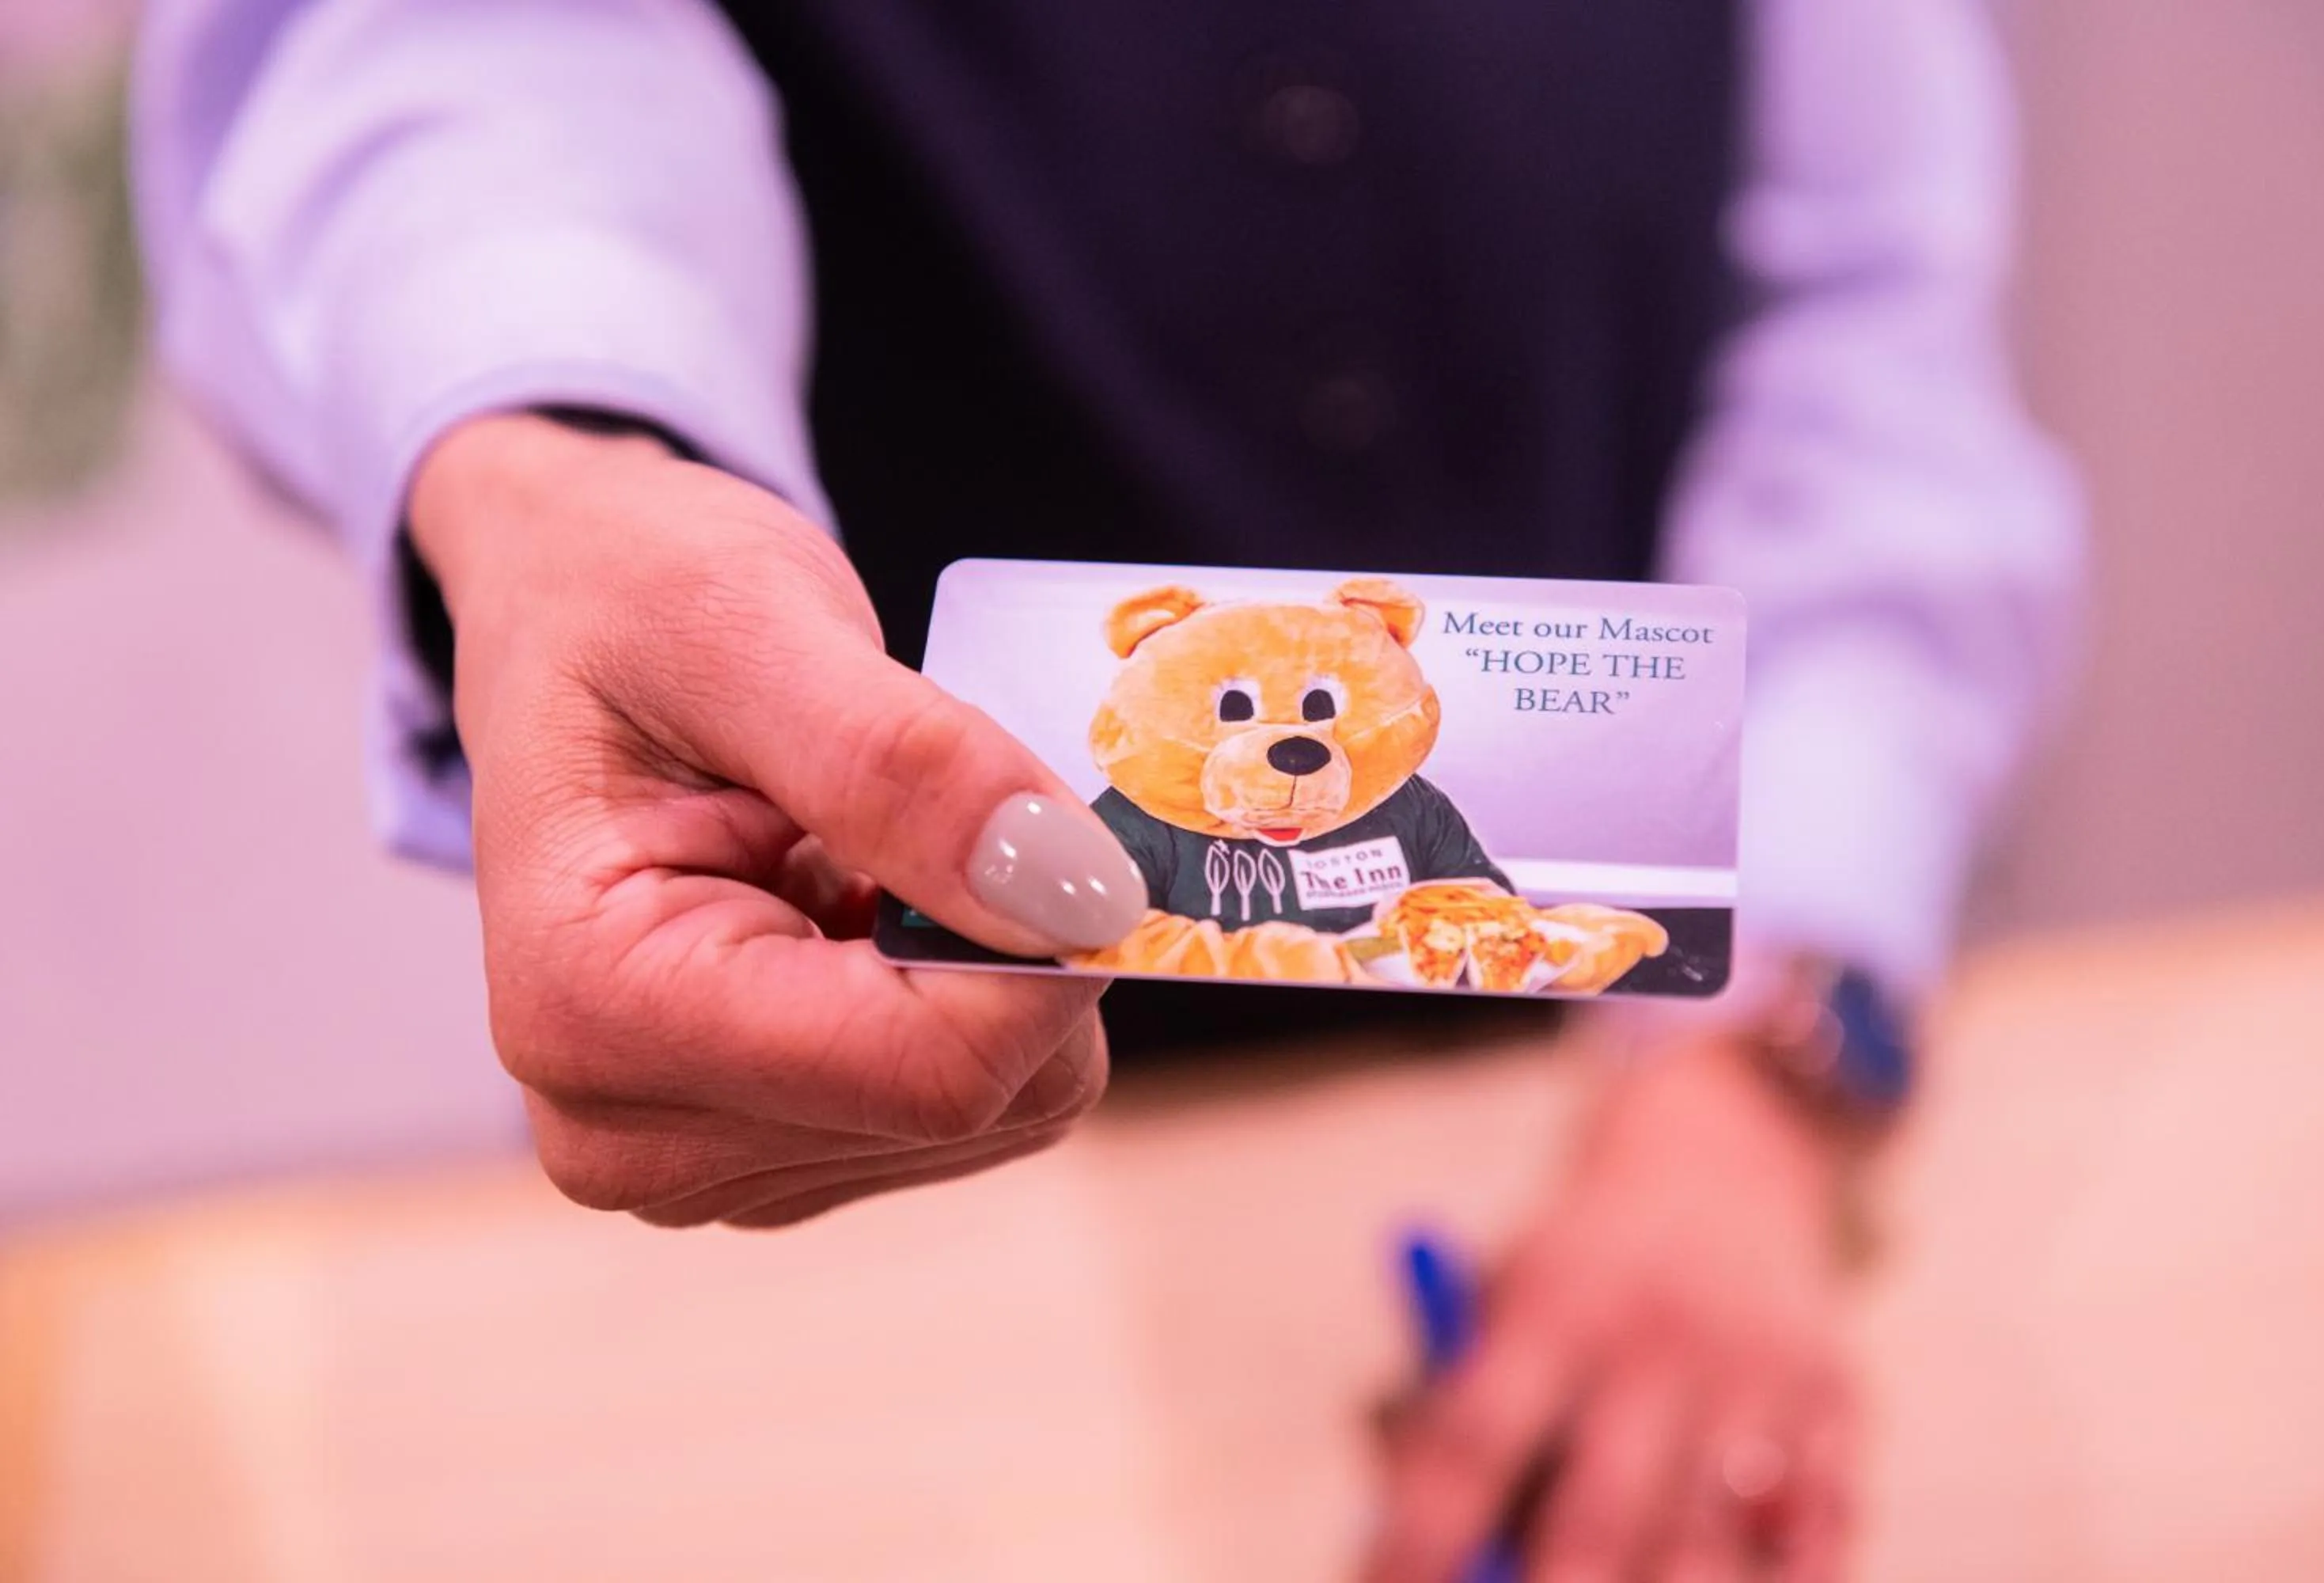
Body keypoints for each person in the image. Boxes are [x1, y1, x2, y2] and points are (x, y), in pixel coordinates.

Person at [133, 0, 2079, 1577]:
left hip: (1622, 1123)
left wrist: (1754, 1088)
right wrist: (558, 457)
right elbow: (456, 45)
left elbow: (1862, 345)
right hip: (858, 1244)